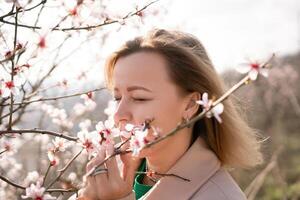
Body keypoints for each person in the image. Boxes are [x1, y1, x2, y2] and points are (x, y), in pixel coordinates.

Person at [74, 29, 263, 200]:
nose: (118, 115)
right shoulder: (111, 176)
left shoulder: (220, 196)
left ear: (190, 105)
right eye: (117, 98)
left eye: (139, 98)